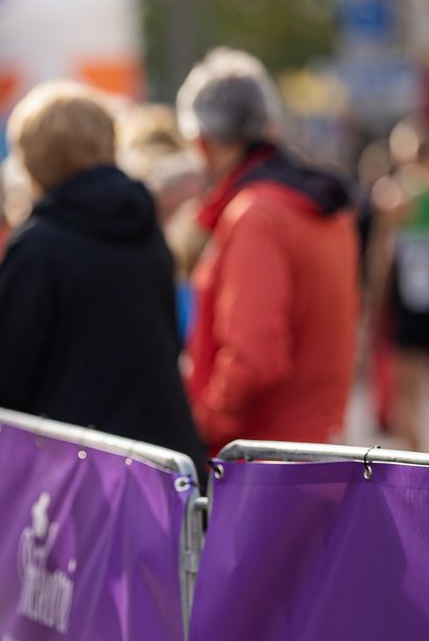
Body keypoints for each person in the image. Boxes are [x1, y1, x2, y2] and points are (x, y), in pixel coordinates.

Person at [0, 82, 204, 473]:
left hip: (82, 474)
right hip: (163, 464)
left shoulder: (39, 246)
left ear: (33, 159)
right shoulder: (146, 231)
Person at [176, 49, 358, 454]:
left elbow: (253, 359)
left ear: (202, 142)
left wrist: (203, 425)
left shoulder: (256, 215)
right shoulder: (322, 208)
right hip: (319, 452)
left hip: (261, 466)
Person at [365, 122, 429, 450]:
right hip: (410, 304)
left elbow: (381, 260)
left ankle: (421, 469)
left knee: (407, 396)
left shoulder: (395, 198)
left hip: (409, 308)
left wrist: (373, 308)